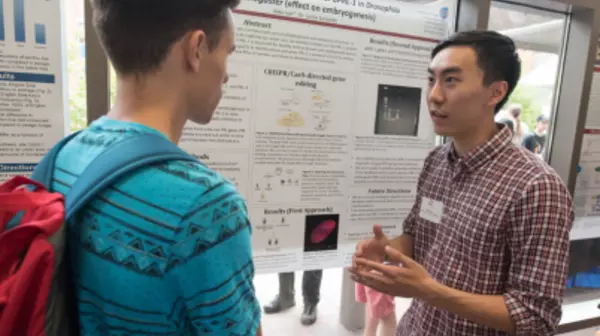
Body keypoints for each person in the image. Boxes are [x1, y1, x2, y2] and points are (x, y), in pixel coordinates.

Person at [50, 0, 262, 334]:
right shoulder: (207, 207)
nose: (227, 73)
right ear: (196, 49)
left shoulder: (65, 156)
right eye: (227, 52)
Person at [350, 30, 574, 336]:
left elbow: (536, 316)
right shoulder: (437, 161)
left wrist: (430, 291)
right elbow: (418, 235)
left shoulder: (536, 187)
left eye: (451, 80)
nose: (434, 95)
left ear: (495, 93)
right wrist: (388, 249)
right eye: (432, 79)